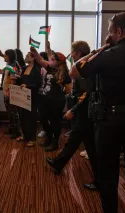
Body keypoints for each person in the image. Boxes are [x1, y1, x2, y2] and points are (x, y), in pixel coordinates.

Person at [70, 13, 125, 212]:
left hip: (110, 121)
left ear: (118, 31)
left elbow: (74, 71)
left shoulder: (107, 55)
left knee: (109, 173)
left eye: (110, 32)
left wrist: (102, 48)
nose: (109, 36)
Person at [45, 40, 99, 190]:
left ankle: (100, 180)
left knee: (85, 144)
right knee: (81, 142)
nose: (71, 54)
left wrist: (73, 110)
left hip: (85, 112)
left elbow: (86, 95)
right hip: (83, 112)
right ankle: (59, 163)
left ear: (79, 53)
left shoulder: (84, 70)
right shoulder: (82, 67)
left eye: (73, 51)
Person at [31, 47, 72, 152]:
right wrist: (35, 52)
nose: (50, 61)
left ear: (59, 62)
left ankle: (55, 142)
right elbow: (40, 60)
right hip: (44, 99)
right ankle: (49, 136)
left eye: (53, 59)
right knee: (42, 118)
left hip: (56, 101)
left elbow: (68, 91)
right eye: (51, 59)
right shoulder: (49, 68)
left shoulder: (65, 74)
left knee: (55, 122)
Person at [17, 52, 41, 146]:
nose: (25, 58)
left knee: (31, 117)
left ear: (33, 58)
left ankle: (32, 139)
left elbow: (38, 84)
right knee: (23, 116)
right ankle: (25, 136)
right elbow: (22, 81)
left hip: (32, 96)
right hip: (23, 96)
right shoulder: (24, 68)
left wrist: (27, 85)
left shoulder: (36, 69)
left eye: (27, 56)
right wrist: (17, 78)